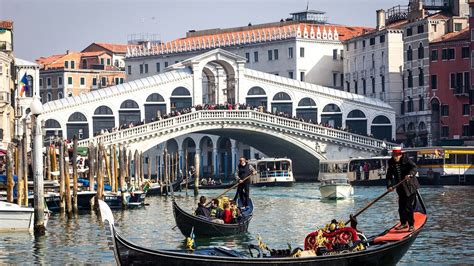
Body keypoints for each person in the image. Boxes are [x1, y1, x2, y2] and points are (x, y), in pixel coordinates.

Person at [386, 147, 419, 232]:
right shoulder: (391, 162)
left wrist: (410, 175)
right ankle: (403, 223)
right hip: (400, 188)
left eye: (397, 155)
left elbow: (414, 168)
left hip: (410, 186)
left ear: (400, 155)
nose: (395, 157)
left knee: (408, 207)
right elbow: (389, 175)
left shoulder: (406, 159)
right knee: (401, 207)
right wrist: (389, 186)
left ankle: (411, 225)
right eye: (394, 155)